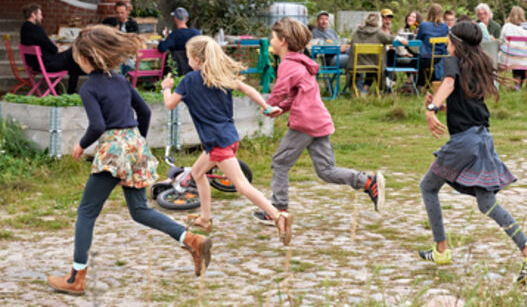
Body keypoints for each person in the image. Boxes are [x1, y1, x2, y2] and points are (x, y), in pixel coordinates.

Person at [46, 26, 211, 296]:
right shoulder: (121, 81)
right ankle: (191, 239)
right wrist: (137, 145)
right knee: (139, 210)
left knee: (86, 212)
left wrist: (81, 144)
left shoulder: (89, 89)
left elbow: (97, 125)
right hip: (135, 144)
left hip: (114, 150)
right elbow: (144, 111)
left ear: (86, 59)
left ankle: (77, 276)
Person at [418, 20, 527, 284]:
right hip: (482, 139)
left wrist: (431, 110)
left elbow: (449, 82)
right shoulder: (477, 64)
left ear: (454, 42)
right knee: (486, 202)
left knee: (428, 187)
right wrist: (440, 106)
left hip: (465, 142)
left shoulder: (452, 61)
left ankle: (441, 250)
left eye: (448, 39)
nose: (446, 42)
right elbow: (462, 103)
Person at [161, 36, 293, 245]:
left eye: (188, 58)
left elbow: (169, 104)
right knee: (197, 172)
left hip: (217, 142)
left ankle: (278, 216)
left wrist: (166, 87)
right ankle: (205, 219)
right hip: (227, 137)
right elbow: (248, 89)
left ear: (196, 59)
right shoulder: (221, 76)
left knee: (241, 185)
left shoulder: (188, 81)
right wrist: (266, 107)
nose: (187, 62)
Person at [253, 18, 385, 225]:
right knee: (326, 171)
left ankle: (277, 210)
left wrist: (267, 105)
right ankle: (366, 181)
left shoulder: (288, 65)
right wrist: (283, 108)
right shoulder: (301, 62)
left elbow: (280, 91)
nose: (271, 41)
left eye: (273, 37)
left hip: (305, 123)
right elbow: (299, 93)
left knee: (280, 163)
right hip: (318, 120)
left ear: (284, 41)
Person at [20, 3, 84, 94]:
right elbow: (52, 48)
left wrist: (55, 48)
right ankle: (71, 91)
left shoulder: (24, 28)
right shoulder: (36, 28)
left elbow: (45, 44)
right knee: (74, 51)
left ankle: (58, 91)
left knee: (73, 62)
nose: (42, 17)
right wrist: (58, 49)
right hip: (47, 64)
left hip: (35, 64)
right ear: (33, 15)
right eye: (40, 14)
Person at [349, 12, 408, 93]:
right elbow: (390, 38)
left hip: (357, 64)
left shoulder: (358, 32)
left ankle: (364, 89)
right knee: (379, 64)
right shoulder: (378, 33)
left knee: (375, 62)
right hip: (374, 65)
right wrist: (399, 38)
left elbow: (351, 44)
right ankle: (385, 87)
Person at [498, 6, 527, 89]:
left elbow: (501, 42)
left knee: (516, 59)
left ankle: (517, 83)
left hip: (509, 59)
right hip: (525, 60)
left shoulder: (506, 27)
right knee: (524, 57)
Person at [158, 7, 201, 75]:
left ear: (175, 19)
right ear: (187, 19)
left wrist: (162, 40)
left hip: (178, 70)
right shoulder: (196, 33)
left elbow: (162, 48)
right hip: (195, 68)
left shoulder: (175, 35)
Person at [416, 4, 450, 87]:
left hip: (426, 57)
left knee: (414, 60)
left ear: (429, 13)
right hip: (440, 58)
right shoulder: (445, 26)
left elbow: (418, 39)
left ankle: (419, 85)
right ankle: (428, 84)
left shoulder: (423, 25)